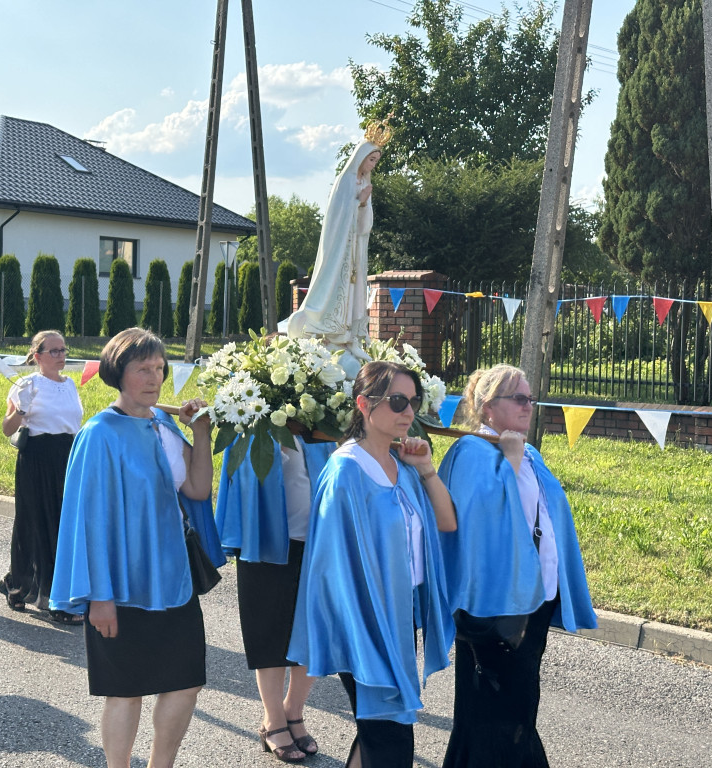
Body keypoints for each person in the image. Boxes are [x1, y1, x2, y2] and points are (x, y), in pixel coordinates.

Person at [49, 328, 215, 768]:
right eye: (143, 368)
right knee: (125, 691)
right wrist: (98, 597)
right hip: (120, 587)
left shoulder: (161, 422)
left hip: (174, 581)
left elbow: (197, 489)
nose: (154, 377)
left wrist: (201, 434)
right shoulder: (98, 433)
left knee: (185, 682)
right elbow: (88, 521)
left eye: (159, 368)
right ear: (118, 372)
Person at [288, 361, 456, 768]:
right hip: (364, 623)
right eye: (397, 401)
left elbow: (447, 523)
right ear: (364, 404)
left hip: (400, 617)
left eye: (413, 402)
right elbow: (330, 567)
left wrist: (428, 470)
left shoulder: (403, 466)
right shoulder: (345, 470)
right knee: (391, 738)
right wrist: (362, 631)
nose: (408, 412)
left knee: (378, 734)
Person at [438, 364, 597, 768]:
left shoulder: (528, 451)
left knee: (518, 701)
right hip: (493, 602)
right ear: (488, 408)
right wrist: (507, 461)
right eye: (519, 398)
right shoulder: (470, 450)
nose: (530, 405)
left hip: (534, 597)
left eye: (531, 397)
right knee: (498, 705)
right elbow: (477, 518)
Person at [215, 433, 336, 762]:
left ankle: (292, 710)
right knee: (268, 631)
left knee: (315, 630)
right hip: (266, 539)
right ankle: (272, 719)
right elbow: (244, 476)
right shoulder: (256, 423)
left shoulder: (325, 424)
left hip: (321, 542)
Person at [285, 122, 389, 377]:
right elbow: (337, 219)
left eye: (376, 161)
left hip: (355, 251)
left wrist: (364, 205)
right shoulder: (345, 182)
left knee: (353, 291)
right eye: (371, 159)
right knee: (333, 287)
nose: (372, 165)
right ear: (361, 158)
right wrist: (357, 203)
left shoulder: (365, 182)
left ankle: (348, 335)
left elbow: (365, 226)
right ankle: (325, 330)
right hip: (339, 250)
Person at [0, 331, 83, 623]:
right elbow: (8, 429)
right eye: (54, 351)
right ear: (38, 356)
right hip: (37, 457)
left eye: (63, 350)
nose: (61, 355)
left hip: (66, 456)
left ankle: (55, 592)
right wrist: (21, 408)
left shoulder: (70, 384)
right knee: (35, 523)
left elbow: (72, 424)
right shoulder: (26, 384)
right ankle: (24, 586)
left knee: (63, 524)